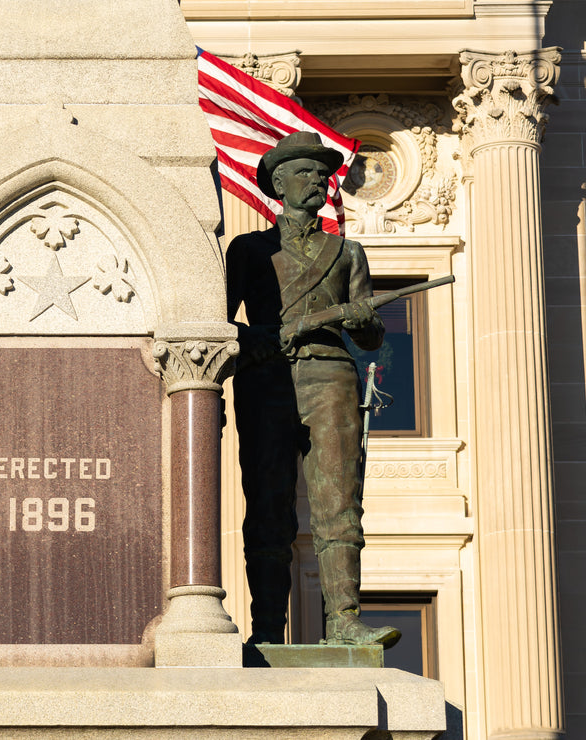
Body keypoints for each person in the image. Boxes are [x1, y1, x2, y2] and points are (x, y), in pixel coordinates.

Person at [226, 131, 399, 648]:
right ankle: (266, 631)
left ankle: (344, 621)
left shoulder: (348, 252)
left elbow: (369, 334)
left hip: (331, 375)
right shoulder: (249, 249)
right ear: (279, 184)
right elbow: (218, 327)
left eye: (323, 172)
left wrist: (360, 318)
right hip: (268, 379)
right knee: (267, 504)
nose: (320, 179)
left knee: (339, 503)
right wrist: (265, 337)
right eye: (305, 171)